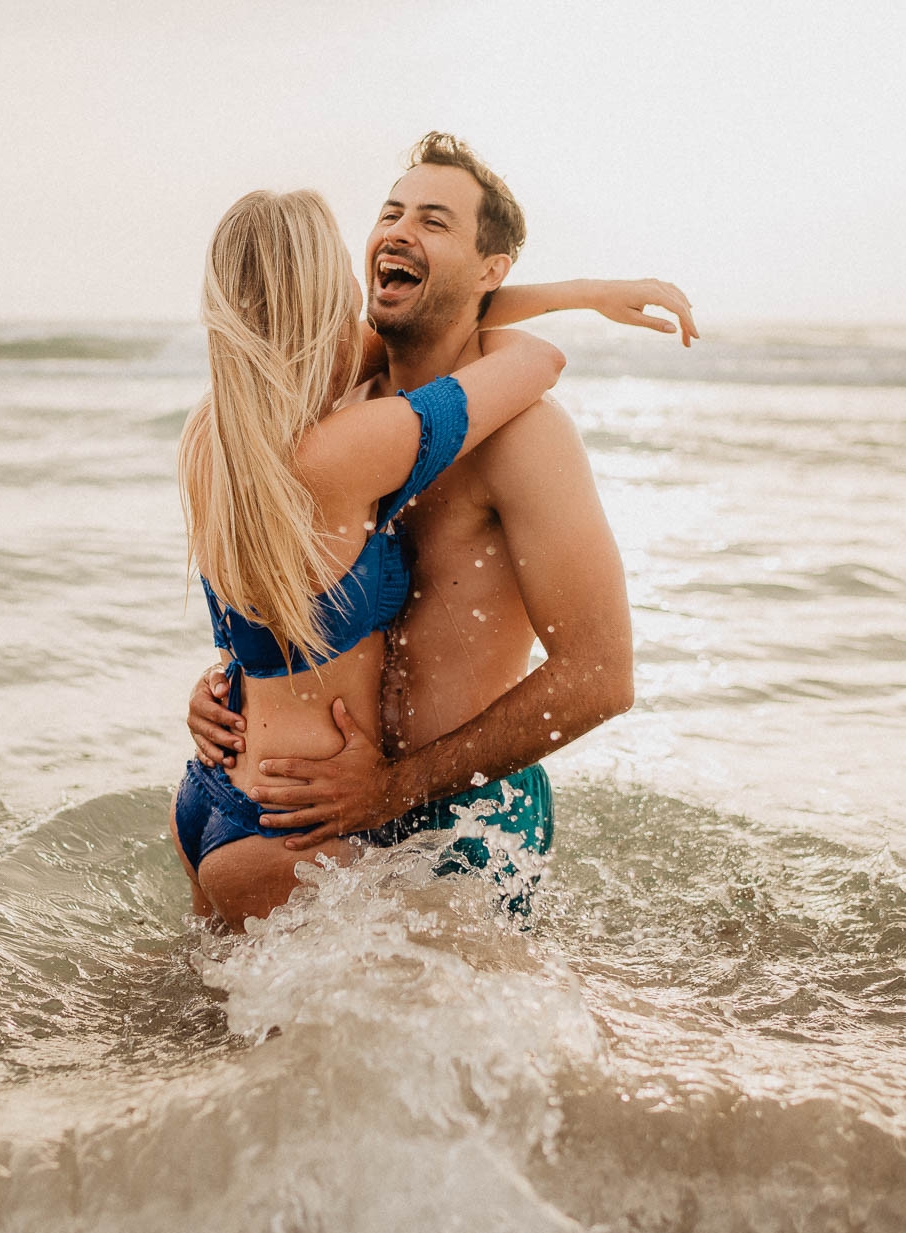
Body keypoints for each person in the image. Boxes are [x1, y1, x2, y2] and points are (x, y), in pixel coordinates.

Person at [187, 132, 698, 918]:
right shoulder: (342, 399)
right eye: (390, 213)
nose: (397, 231)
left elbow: (601, 676)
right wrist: (234, 681)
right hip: (315, 821)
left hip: (458, 822)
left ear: (491, 270)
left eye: (433, 221)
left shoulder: (526, 437)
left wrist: (395, 787)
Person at [172, 188, 568, 929]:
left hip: (211, 796)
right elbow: (538, 361)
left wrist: (582, 291)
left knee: (200, 1004)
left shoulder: (212, 433)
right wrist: (545, 297)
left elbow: (417, 331)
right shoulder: (348, 449)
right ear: (328, 301)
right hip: (293, 825)